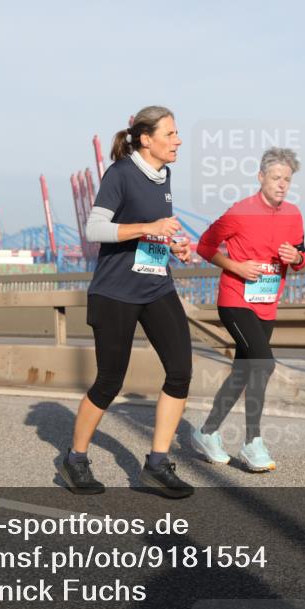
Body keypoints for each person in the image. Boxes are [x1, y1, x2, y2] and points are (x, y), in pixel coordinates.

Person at [56, 106, 195, 498]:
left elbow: (152, 233)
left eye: (177, 133)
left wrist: (173, 244)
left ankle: (156, 465)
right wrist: (150, 227)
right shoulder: (120, 173)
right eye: (170, 134)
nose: (178, 140)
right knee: (109, 381)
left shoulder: (163, 175)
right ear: (146, 138)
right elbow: (95, 228)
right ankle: (75, 459)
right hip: (115, 292)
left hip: (156, 287)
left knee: (181, 371)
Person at [192, 147, 305, 471]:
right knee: (264, 363)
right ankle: (253, 442)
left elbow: (302, 255)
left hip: (266, 305)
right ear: (261, 177)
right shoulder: (240, 211)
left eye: (287, 179)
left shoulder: (294, 215)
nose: (282, 184)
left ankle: (206, 431)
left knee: (243, 373)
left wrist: (295, 258)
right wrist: (236, 267)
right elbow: (205, 246)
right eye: (275, 177)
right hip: (235, 300)